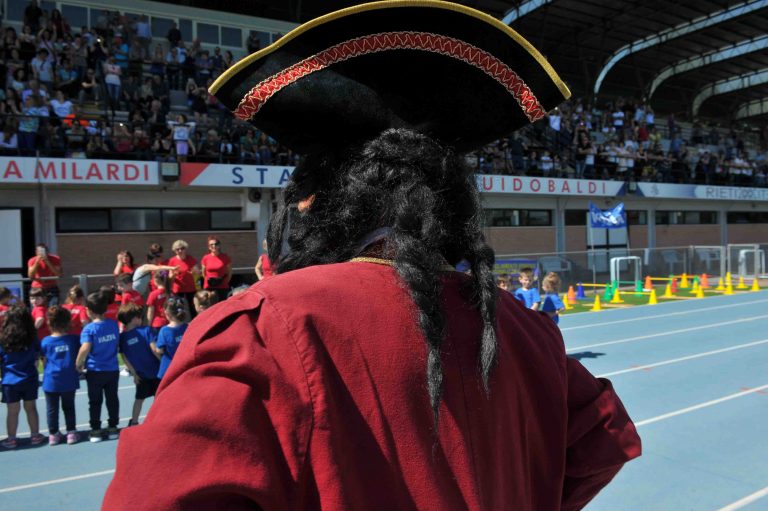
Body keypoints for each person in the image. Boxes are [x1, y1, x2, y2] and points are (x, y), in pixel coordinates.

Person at [104, 3, 640, 508]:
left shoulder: (264, 330)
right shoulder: (529, 333)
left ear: (311, 201)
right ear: (449, 203)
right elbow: (603, 441)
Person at [76, 291, 120, 443]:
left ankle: (95, 430)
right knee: (112, 399)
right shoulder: (113, 324)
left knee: (95, 401)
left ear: (89, 311)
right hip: (112, 369)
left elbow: (85, 347)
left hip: (95, 371)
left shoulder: (89, 329)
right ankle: (113, 427)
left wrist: (78, 363)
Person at [0, 305, 44, 448]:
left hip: (10, 381)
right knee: (31, 408)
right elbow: (39, 354)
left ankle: (11, 438)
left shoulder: (4, 339)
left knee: (12, 411)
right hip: (29, 378)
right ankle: (35, 435)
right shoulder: (32, 338)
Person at [40, 306, 81, 445]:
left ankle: (53, 434)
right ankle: (71, 432)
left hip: (51, 380)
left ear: (49, 322)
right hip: (68, 378)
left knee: (52, 408)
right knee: (69, 406)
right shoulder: (73, 339)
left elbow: (44, 360)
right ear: (68, 322)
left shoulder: (45, 341)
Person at [118, 303, 161, 427]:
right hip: (156, 371)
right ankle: (158, 419)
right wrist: (164, 363)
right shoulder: (146, 330)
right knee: (159, 397)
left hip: (141, 375)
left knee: (139, 399)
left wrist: (134, 373)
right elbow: (154, 349)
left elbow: (125, 357)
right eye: (140, 317)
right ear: (134, 319)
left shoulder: (123, 338)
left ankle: (134, 421)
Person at [152, 297, 188, 381]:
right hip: (185, 366)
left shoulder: (165, 331)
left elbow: (159, 350)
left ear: (167, 313)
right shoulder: (187, 327)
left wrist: (155, 347)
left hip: (170, 368)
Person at [167, 240, 199, 317]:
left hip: (190, 288)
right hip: (178, 289)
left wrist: (194, 272)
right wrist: (174, 275)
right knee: (179, 308)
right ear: (174, 251)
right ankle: (180, 322)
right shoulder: (172, 261)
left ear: (185, 249)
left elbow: (198, 273)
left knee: (193, 308)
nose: (180, 251)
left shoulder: (190, 259)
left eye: (182, 248)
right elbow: (170, 276)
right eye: (177, 249)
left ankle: (194, 322)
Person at [200, 236, 232, 302]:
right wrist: (209, 281)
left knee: (222, 305)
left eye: (216, 244)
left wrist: (225, 281)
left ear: (219, 246)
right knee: (210, 305)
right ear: (209, 247)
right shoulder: (205, 258)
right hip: (209, 287)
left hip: (222, 286)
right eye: (211, 244)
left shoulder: (225, 257)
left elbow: (230, 272)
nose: (214, 246)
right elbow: (203, 273)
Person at [146, 272, 169, 337]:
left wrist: (148, 325)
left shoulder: (153, 294)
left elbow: (150, 311)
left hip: (157, 323)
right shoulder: (169, 292)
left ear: (155, 281)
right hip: (168, 321)